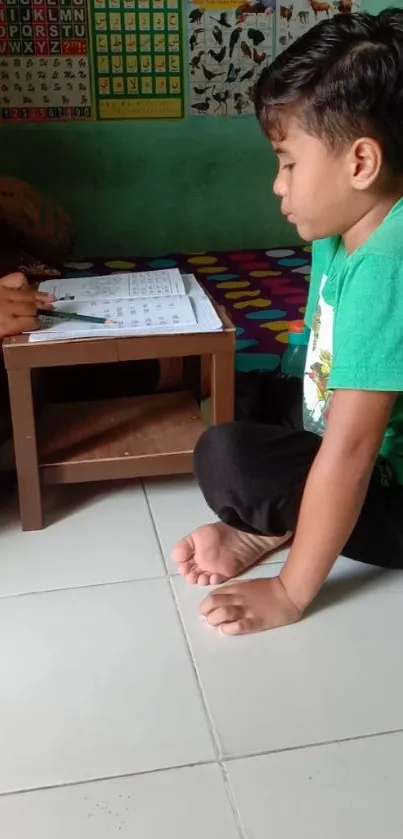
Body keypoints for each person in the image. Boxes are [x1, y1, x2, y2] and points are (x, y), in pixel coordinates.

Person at [172, 9, 403, 635]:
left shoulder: (390, 266)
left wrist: (290, 591)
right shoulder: (338, 233)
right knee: (235, 391)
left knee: (231, 458)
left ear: (360, 163)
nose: (279, 186)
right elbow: (309, 359)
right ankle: (271, 524)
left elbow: (353, 449)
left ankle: (280, 533)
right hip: (343, 427)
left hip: (388, 481)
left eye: (289, 163)